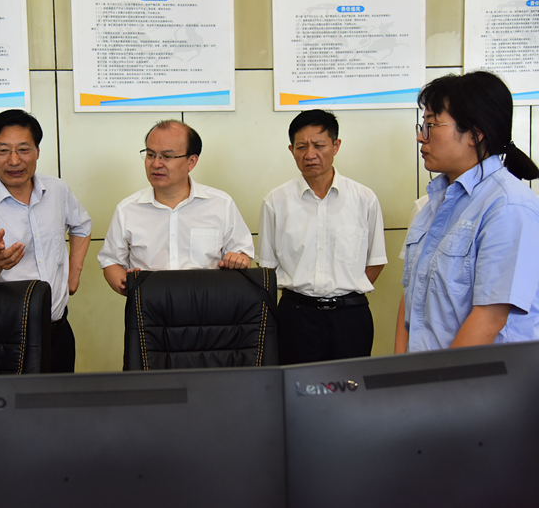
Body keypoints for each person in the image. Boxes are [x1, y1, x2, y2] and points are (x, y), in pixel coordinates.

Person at [397, 70, 539, 353]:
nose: (421, 137)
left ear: (476, 132)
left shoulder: (508, 206)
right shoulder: (433, 203)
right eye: (422, 126)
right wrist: (401, 369)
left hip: (476, 376)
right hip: (426, 372)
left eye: (431, 125)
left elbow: (489, 318)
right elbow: (411, 296)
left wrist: (440, 377)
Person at [0, 109, 91, 372]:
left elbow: (82, 226)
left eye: (24, 149)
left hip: (57, 330)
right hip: (2, 337)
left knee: (59, 397)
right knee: (8, 399)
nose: (14, 160)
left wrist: (74, 273)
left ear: (37, 151)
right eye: (3, 150)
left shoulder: (57, 190)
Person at [258, 109, 387, 364]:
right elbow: (267, 268)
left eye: (319, 145)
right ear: (291, 150)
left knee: (350, 383)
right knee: (296, 384)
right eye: (301, 147)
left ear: (335, 146)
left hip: (350, 317)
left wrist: (343, 293)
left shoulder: (364, 199)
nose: (310, 154)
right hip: (296, 316)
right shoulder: (276, 201)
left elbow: (375, 261)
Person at [98, 120, 254, 295]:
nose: (156, 164)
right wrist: (125, 284)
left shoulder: (221, 204)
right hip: (150, 306)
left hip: (209, 305)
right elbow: (111, 261)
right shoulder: (127, 209)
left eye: (167, 156)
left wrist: (239, 260)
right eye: (151, 155)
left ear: (191, 162)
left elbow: (243, 255)